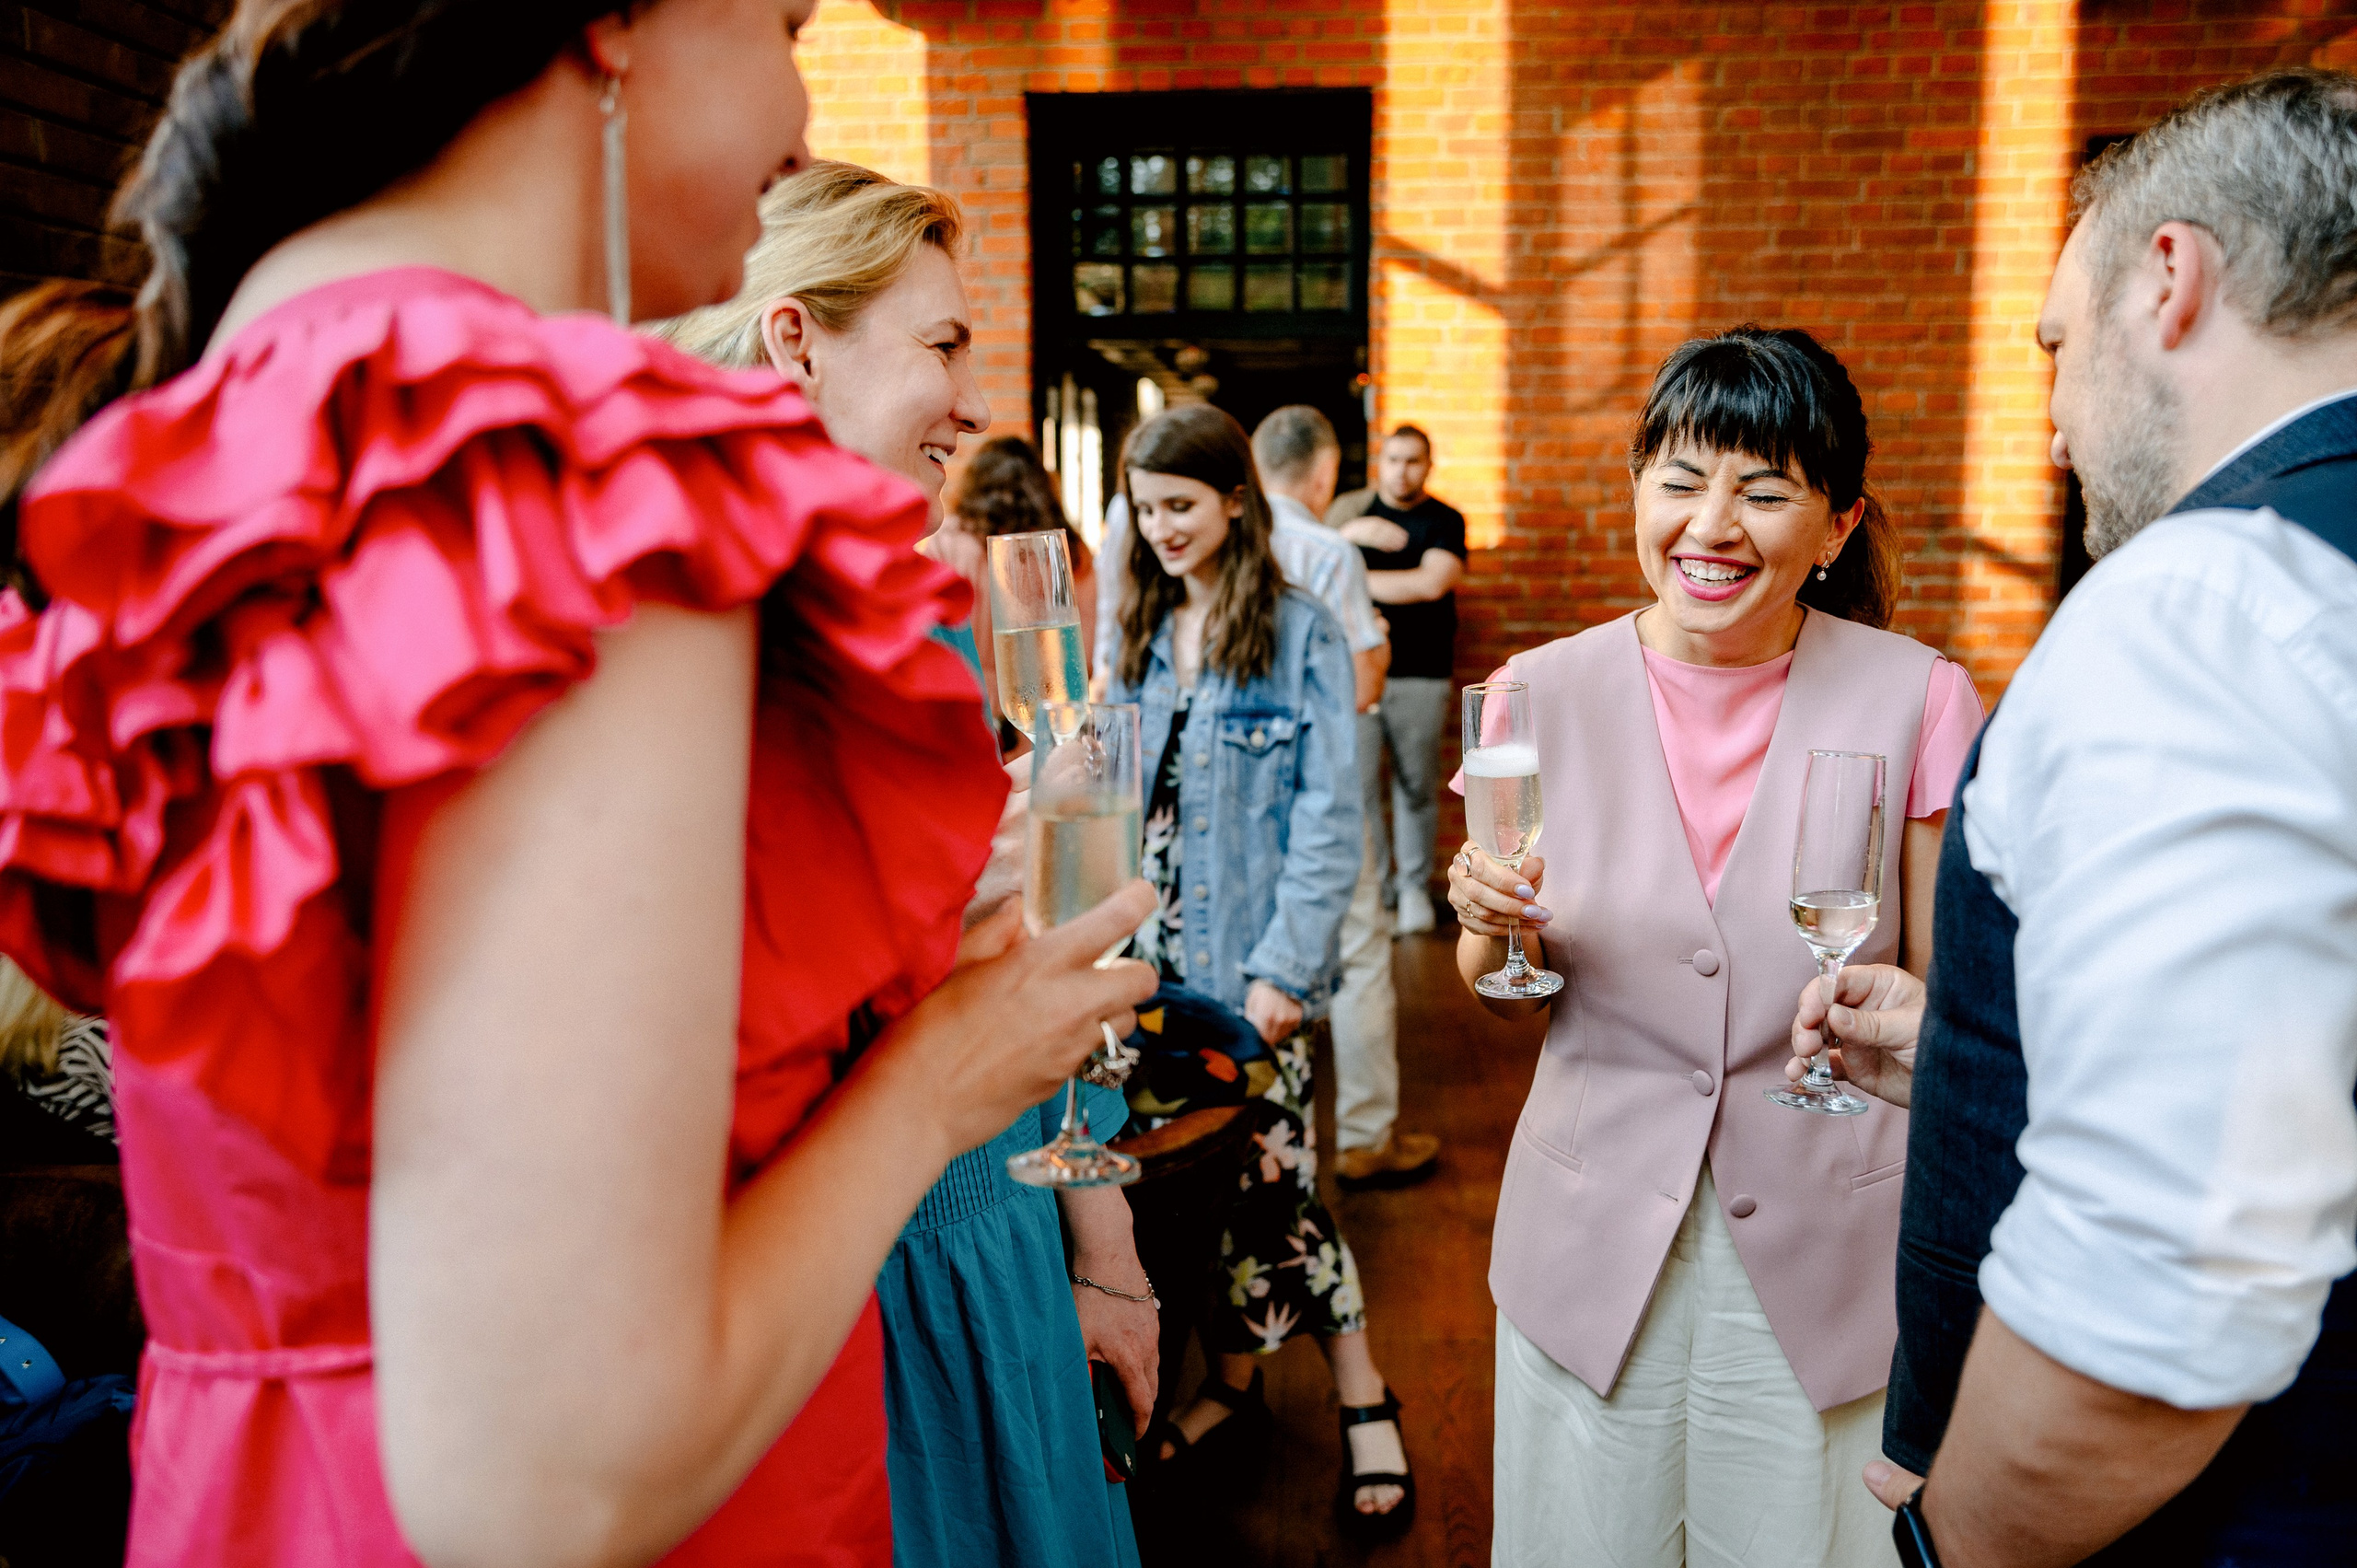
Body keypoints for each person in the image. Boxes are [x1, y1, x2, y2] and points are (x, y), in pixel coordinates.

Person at [0, 6, 1156, 1566]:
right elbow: (556, 1476)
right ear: (619, 22)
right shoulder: (580, 484)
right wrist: (949, 1070)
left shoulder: (208, 458)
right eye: (791, 26)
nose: (804, 119)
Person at [1786, 69, 2357, 1567]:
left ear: (2169, 279)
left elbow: (2164, 1286)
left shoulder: (2207, 603)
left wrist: (1956, 1541)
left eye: (2053, 345)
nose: (2051, 423)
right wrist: (2000, 1046)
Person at [659, 161, 1156, 1568]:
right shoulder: (681, 647)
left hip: (1003, 1234)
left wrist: (1103, 1254)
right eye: (940, 344)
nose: (978, 400)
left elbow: (1041, 972)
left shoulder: (929, 636)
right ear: (795, 336)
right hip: (849, 1276)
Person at [1446, 326, 1984, 1567]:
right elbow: (1498, 992)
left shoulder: (1920, 696)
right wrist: (1485, 927)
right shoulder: (1535, 693)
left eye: (1764, 488)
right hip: (1588, 1248)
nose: (1713, 523)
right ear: (1638, 488)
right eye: (1681, 478)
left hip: (1831, 1253)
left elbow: (1949, 1002)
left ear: (1837, 526)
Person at [1104, 402, 1417, 1534]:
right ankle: (1233, 1385)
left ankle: (1362, 1396)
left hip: (1252, 977)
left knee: (1278, 1186)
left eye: (1178, 506)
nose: (1158, 530)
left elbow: (1331, 819)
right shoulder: (1133, 620)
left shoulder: (1301, 632)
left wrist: (1284, 970)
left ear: (1236, 499)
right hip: (1146, 967)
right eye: (1142, 511)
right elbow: (1106, 790)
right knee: (1197, 1198)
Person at [1249, 405, 1438, 1190]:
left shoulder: (1221, 544)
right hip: (1316, 774)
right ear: (1325, 475)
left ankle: (1250, 1132)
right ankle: (1363, 1134)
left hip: (1240, 786)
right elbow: (1363, 680)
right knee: (1360, 945)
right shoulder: (1327, 550)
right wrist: (1380, 648)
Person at [1339, 424, 1466, 935]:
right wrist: (1350, 537)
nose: (1402, 470)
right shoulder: (1350, 515)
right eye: (1393, 459)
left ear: (1428, 465)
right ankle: (1381, 893)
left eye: (1413, 460)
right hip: (1357, 675)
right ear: (1380, 462)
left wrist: (1351, 580)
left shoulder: (1444, 520)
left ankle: (1413, 890)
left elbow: (1431, 583)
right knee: (1361, 788)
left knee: (1415, 786)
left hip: (1421, 673)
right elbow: (1302, 564)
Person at [942, 435, 1100, 731]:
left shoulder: (944, 547)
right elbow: (1085, 657)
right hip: (1049, 725)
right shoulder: (1072, 554)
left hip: (967, 723)